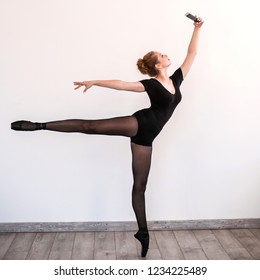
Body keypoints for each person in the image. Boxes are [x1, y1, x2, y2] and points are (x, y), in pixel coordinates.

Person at [11, 18, 204, 257]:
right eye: (162, 55)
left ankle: (143, 232)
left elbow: (192, 53)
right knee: (91, 126)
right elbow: (122, 85)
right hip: (140, 123)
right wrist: (95, 82)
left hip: (147, 138)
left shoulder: (176, 79)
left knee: (140, 186)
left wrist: (196, 29)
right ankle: (38, 125)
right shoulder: (151, 84)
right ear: (156, 65)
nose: (166, 55)